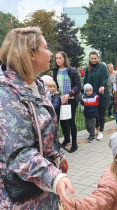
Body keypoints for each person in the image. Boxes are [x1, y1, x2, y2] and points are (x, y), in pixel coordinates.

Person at [0, 27, 74, 209]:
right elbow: (19, 151)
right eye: (46, 48)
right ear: (31, 54)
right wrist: (54, 177)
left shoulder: (38, 85)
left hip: (42, 192)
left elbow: (43, 132)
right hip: (22, 199)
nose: (50, 53)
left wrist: (57, 155)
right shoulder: (6, 93)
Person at [53, 51, 81, 153]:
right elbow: (55, 84)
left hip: (71, 100)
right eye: (56, 58)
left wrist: (69, 94)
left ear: (64, 58)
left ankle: (74, 144)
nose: (58, 60)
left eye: (60, 58)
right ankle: (66, 139)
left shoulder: (72, 71)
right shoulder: (56, 71)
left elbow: (78, 86)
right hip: (60, 99)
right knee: (63, 121)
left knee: (71, 121)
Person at [84, 51, 110, 140]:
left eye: (95, 58)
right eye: (92, 58)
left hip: (102, 93)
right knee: (94, 113)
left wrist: (103, 86)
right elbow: (85, 80)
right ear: (89, 58)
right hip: (92, 95)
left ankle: (101, 131)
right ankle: (96, 127)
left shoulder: (102, 66)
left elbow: (105, 77)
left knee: (101, 113)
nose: (93, 60)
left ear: (97, 58)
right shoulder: (88, 67)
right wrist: (84, 90)